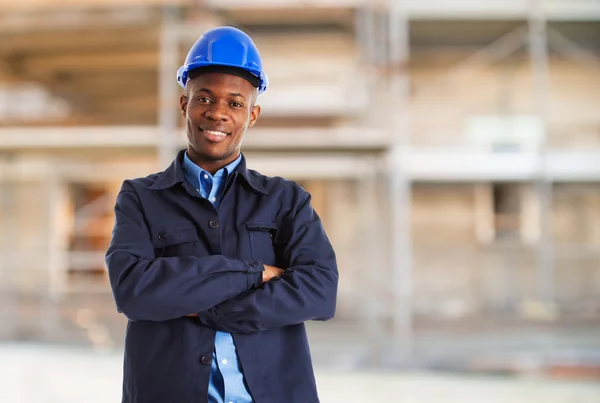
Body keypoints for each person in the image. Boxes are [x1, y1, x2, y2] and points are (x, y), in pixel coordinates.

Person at [105, 26, 339, 403]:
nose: (217, 113)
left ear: (253, 115)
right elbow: (133, 291)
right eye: (204, 99)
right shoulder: (140, 197)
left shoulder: (286, 200)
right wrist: (255, 272)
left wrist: (206, 307)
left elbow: (320, 292)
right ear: (185, 105)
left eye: (235, 103)